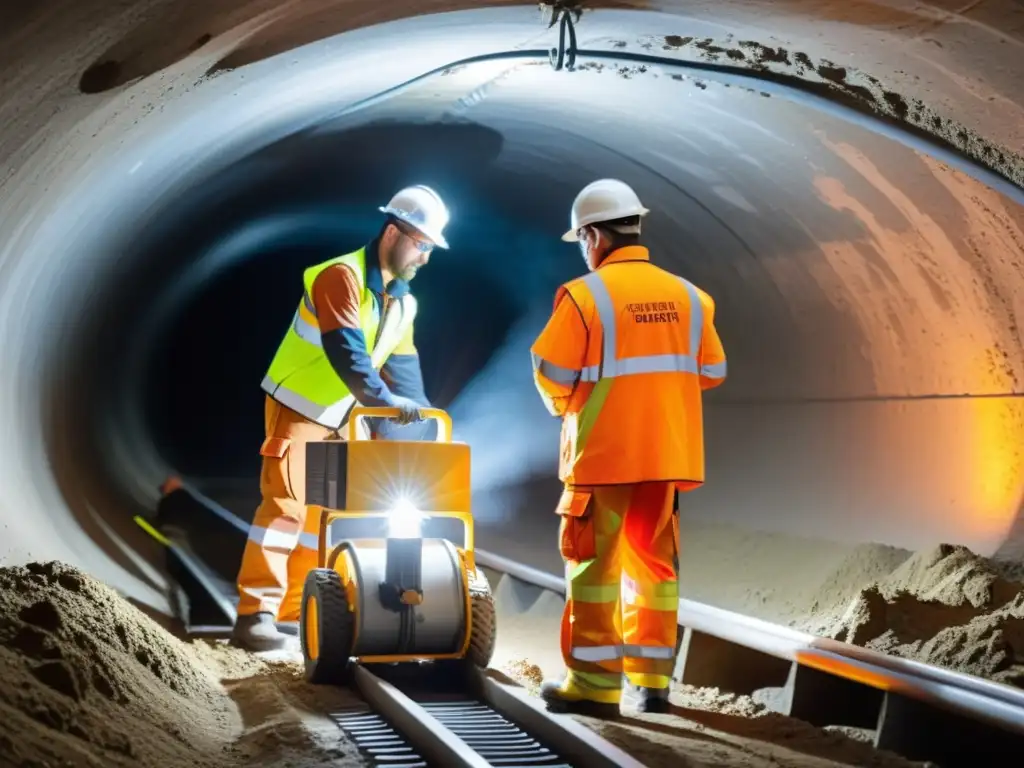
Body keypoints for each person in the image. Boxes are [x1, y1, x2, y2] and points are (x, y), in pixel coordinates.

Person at [529, 179, 727, 714]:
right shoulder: (692, 297)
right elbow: (711, 370)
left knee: (594, 572)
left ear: (593, 235)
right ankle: (652, 684)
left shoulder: (584, 296)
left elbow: (550, 370)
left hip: (603, 459)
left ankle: (594, 688)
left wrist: (569, 405)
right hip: (666, 461)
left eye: (581, 240)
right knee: (655, 571)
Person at [232, 185, 449, 651]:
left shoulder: (403, 301)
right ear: (393, 233)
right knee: (285, 510)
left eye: (431, 247)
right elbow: (348, 355)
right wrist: (383, 406)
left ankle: (293, 613)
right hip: (299, 407)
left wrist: (421, 434)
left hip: (342, 418)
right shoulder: (341, 276)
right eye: (422, 244)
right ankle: (255, 615)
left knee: (324, 520)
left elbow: (405, 373)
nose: (425, 257)